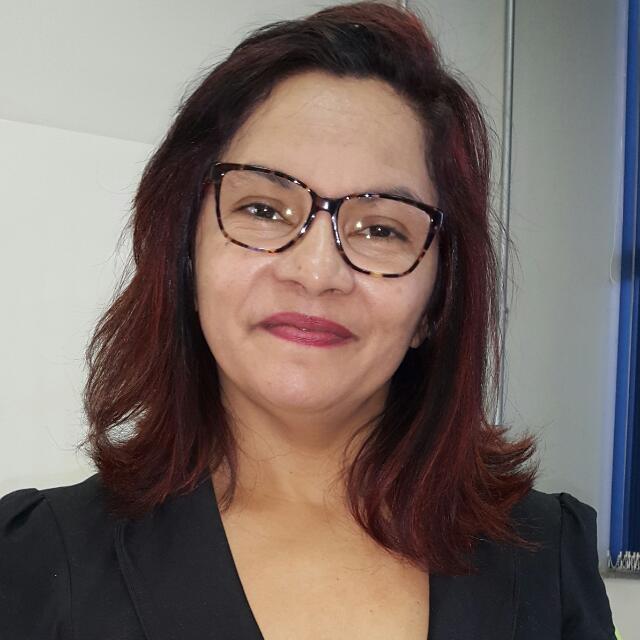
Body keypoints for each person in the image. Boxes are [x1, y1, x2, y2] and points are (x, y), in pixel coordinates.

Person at [0, 1, 620, 638]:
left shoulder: (544, 559)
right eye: (264, 210)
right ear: (184, 254)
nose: (317, 272)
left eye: (381, 229)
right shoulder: (32, 561)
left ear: (437, 301)